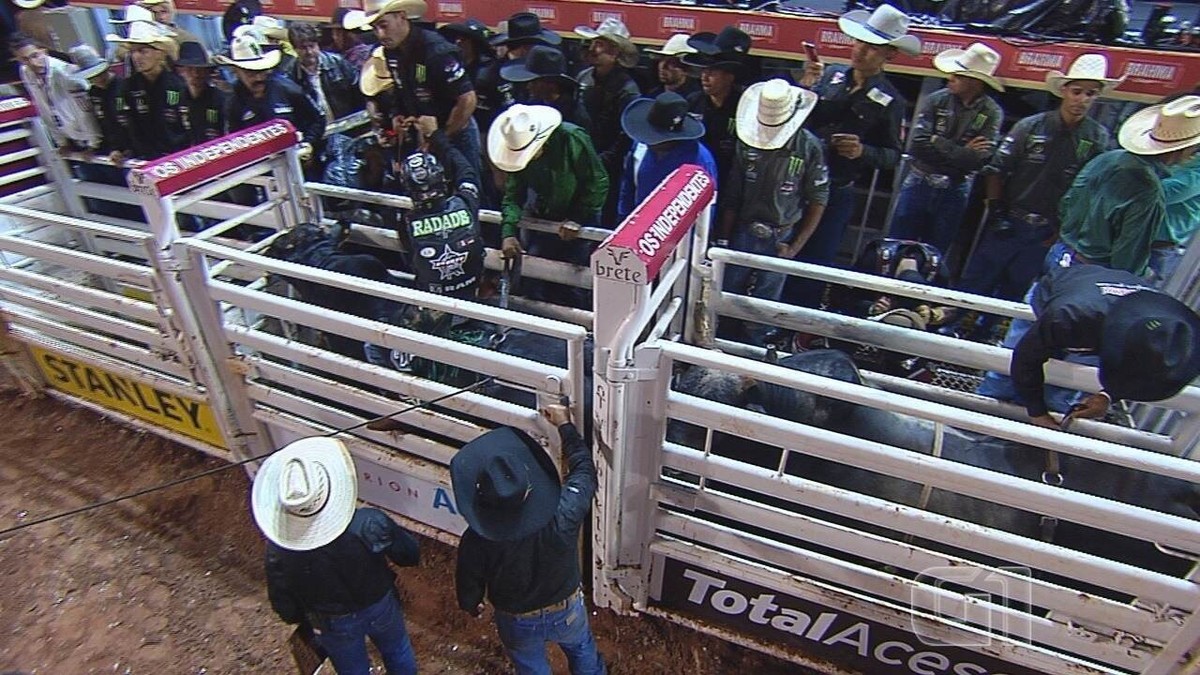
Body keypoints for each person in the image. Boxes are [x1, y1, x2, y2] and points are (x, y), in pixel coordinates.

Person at [957, 54, 1118, 328]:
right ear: (1064, 91)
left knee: (1018, 286)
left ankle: (988, 334)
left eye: (1090, 94)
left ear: (1097, 97)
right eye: (1077, 91)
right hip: (1010, 218)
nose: (1082, 99)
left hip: (1049, 230)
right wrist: (995, 210)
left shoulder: (1098, 138)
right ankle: (953, 325)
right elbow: (997, 167)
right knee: (977, 279)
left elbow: (1093, 191)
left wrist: (1066, 229)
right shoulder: (1030, 127)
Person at [451, 405, 605, 675]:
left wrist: (471, 603)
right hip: (566, 607)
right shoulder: (562, 513)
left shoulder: (478, 539)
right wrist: (565, 425)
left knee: (530, 666)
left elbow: (469, 580)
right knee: (582, 650)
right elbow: (584, 472)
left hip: (517, 618)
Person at [254, 437, 420, 675]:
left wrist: (301, 619)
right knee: (397, 651)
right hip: (378, 602)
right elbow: (409, 554)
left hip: (331, 620)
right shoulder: (367, 522)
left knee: (352, 669)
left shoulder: (279, 550)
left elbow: (284, 601)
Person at [792, 4, 916, 307]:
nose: (861, 51)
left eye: (873, 47)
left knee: (815, 263)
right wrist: (804, 87)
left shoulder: (891, 101)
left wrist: (863, 152)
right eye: (860, 42)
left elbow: (892, 155)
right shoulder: (830, 75)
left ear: (890, 55)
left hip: (836, 189)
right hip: (797, 182)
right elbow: (796, 117)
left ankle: (794, 324)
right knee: (781, 249)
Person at [979, 265, 1200, 428]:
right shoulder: (1071, 317)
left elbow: (1142, 366)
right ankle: (975, 427)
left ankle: (1026, 444)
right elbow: (1026, 358)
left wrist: (1107, 395)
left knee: (1060, 399)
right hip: (1062, 296)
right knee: (1003, 380)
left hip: (1110, 313)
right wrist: (1037, 413)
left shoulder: (1177, 334)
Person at [719, 79, 828, 346]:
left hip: (782, 233)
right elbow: (734, 191)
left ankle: (753, 353)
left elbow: (818, 199)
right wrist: (722, 239)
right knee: (726, 292)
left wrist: (794, 247)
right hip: (744, 228)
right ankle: (719, 342)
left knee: (765, 303)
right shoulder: (747, 140)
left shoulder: (809, 147)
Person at [1054, 95, 1200, 275]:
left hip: (1061, 252)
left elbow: (1067, 202)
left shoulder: (1108, 158)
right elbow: (1128, 256)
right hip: (1092, 270)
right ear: (1184, 149)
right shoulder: (1148, 189)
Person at [888, 43, 1004, 254]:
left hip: (955, 188)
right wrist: (962, 152)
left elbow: (980, 160)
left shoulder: (992, 112)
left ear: (975, 82)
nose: (950, 78)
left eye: (958, 75)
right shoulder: (936, 100)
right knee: (897, 244)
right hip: (920, 180)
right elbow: (917, 145)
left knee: (935, 250)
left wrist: (939, 142)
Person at [489, 104, 608, 307]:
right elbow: (513, 194)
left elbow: (597, 182)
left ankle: (579, 326)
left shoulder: (571, 138)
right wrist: (508, 233)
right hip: (544, 212)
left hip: (580, 213)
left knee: (575, 276)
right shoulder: (518, 150)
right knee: (534, 276)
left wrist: (578, 218)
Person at [347, 0, 479, 176]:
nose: (379, 34)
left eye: (383, 25)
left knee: (467, 183)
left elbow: (467, 100)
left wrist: (442, 136)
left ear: (401, 17)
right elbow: (400, 88)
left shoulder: (437, 51)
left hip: (455, 132)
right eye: (374, 28)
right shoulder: (390, 51)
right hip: (421, 132)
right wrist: (397, 114)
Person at [397, 115, 484, 298]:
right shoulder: (465, 202)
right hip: (473, 294)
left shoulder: (405, 221)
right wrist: (438, 137)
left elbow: (410, 257)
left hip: (434, 301)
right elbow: (467, 172)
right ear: (442, 178)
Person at [218, 34, 324, 166]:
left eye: (261, 71)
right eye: (250, 73)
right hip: (262, 165)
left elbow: (317, 119)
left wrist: (309, 143)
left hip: (298, 160)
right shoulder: (234, 102)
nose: (258, 78)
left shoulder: (288, 89)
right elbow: (234, 139)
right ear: (236, 72)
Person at [574, 17, 641, 226]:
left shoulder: (627, 90)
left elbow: (625, 136)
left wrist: (600, 161)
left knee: (603, 215)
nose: (593, 48)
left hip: (608, 167)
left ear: (614, 53)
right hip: (580, 157)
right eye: (594, 43)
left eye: (600, 44)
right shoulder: (583, 78)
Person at [616, 91, 717, 222]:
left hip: (680, 237)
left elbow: (705, 212)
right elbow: (627, 191)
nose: (650, 141)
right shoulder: (640, 146)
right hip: (637, 228)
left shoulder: (700, 162)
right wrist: (622, 223)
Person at [683, 26, 751, 217]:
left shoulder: (745, 105)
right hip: (695, 185)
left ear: (729, 76)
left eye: (712, 72)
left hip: (731, 187)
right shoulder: (692, 102)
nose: (705, 77)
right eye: (704, 71)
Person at [107, 21, 190, 161]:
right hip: (144, 159)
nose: (137, 57)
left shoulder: (178, 86)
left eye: (143, 51)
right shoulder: (128, 87)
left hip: (178, 158)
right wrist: (119, 148)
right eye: (133, 51)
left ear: (160, 53)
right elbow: (124, 122)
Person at [11, 33, 99, 153]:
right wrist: (61, 142)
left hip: (91, 139)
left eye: (34, 56)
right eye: (25, 60)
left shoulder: (65, 72)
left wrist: (93, 144)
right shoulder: (26, 72)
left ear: (44, 52)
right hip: (70, 137)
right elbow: (43, 108)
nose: (32, 63)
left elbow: (84, 111)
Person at [500, 45, 590, 131]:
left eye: (534, 82)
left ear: (551, 84)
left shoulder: (574, 115)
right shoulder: (532, 104)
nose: (528, 87)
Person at [287, 22, 363, 123]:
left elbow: (358, 92)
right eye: (303, 48)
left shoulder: (338, 63)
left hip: (346, 125)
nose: (309, 52)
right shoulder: (290, 75)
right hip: (318, 132)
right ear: (294, 49)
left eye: (312, 46)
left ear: (317, 44)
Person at [438, 19, 502, 132]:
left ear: (475, 44)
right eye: (457, 38)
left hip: (485, 129)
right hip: (454, 125)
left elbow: (502, 105)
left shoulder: (490, 70)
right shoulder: (451, 67)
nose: (458, 42)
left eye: (464, 39)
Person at [175, 41, 227, 145]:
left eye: (200, 69)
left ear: (208, 71)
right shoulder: (176, 100)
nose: (195, 74)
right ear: (181, 71)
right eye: (190, 69)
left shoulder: (221, 100)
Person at [646, 34, 699, 99]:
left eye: (671, 62)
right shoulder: (653, 95)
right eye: (662, 59)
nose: (663, 66)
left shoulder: (696, 100)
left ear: (686, 68)